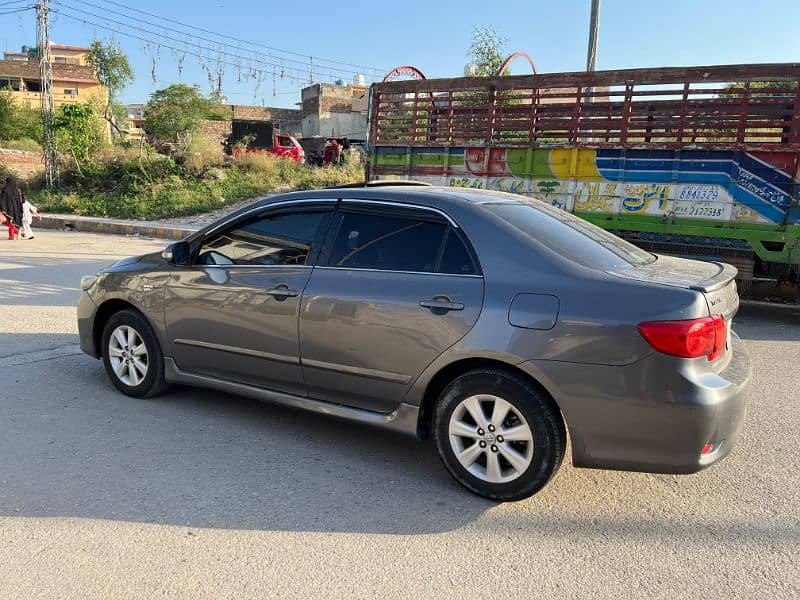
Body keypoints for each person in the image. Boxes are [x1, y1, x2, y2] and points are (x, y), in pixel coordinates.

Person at [0, 176, 24, 240]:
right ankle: (13, 235)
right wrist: (20, 209)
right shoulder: (17, 190)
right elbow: (20, 201)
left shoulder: (4, 189)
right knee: (14, 221)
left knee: (9, 221)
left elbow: (2, 199)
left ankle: (13, 234)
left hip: (8, 208)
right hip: (16, 209)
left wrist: (2, 208)